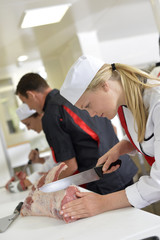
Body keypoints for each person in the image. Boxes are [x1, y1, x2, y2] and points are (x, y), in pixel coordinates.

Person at [58, 54, 160, 220]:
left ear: (104, 85)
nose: (91, 114)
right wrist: (120, 148)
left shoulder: (157, 101)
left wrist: (101, 203)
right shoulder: (123, 104)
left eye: (88, 105)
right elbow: (148, 134)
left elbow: (159, 183)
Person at [15, 72, 138, 195]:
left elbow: (69, 166)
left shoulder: (51, 115)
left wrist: (44, 187)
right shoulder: (73, 97)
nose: (29, 108)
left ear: (31, 95)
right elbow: (113, 128)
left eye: (25, 102)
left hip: (102, 181)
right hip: (122, 166)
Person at [6, 103, 55, 192]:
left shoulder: (54, 130)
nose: (28, 129)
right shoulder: (49, 131)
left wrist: (23, 183)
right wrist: (39, 160)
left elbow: (54, 165)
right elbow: (56, 159)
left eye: (28, 124)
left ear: (40, 115)